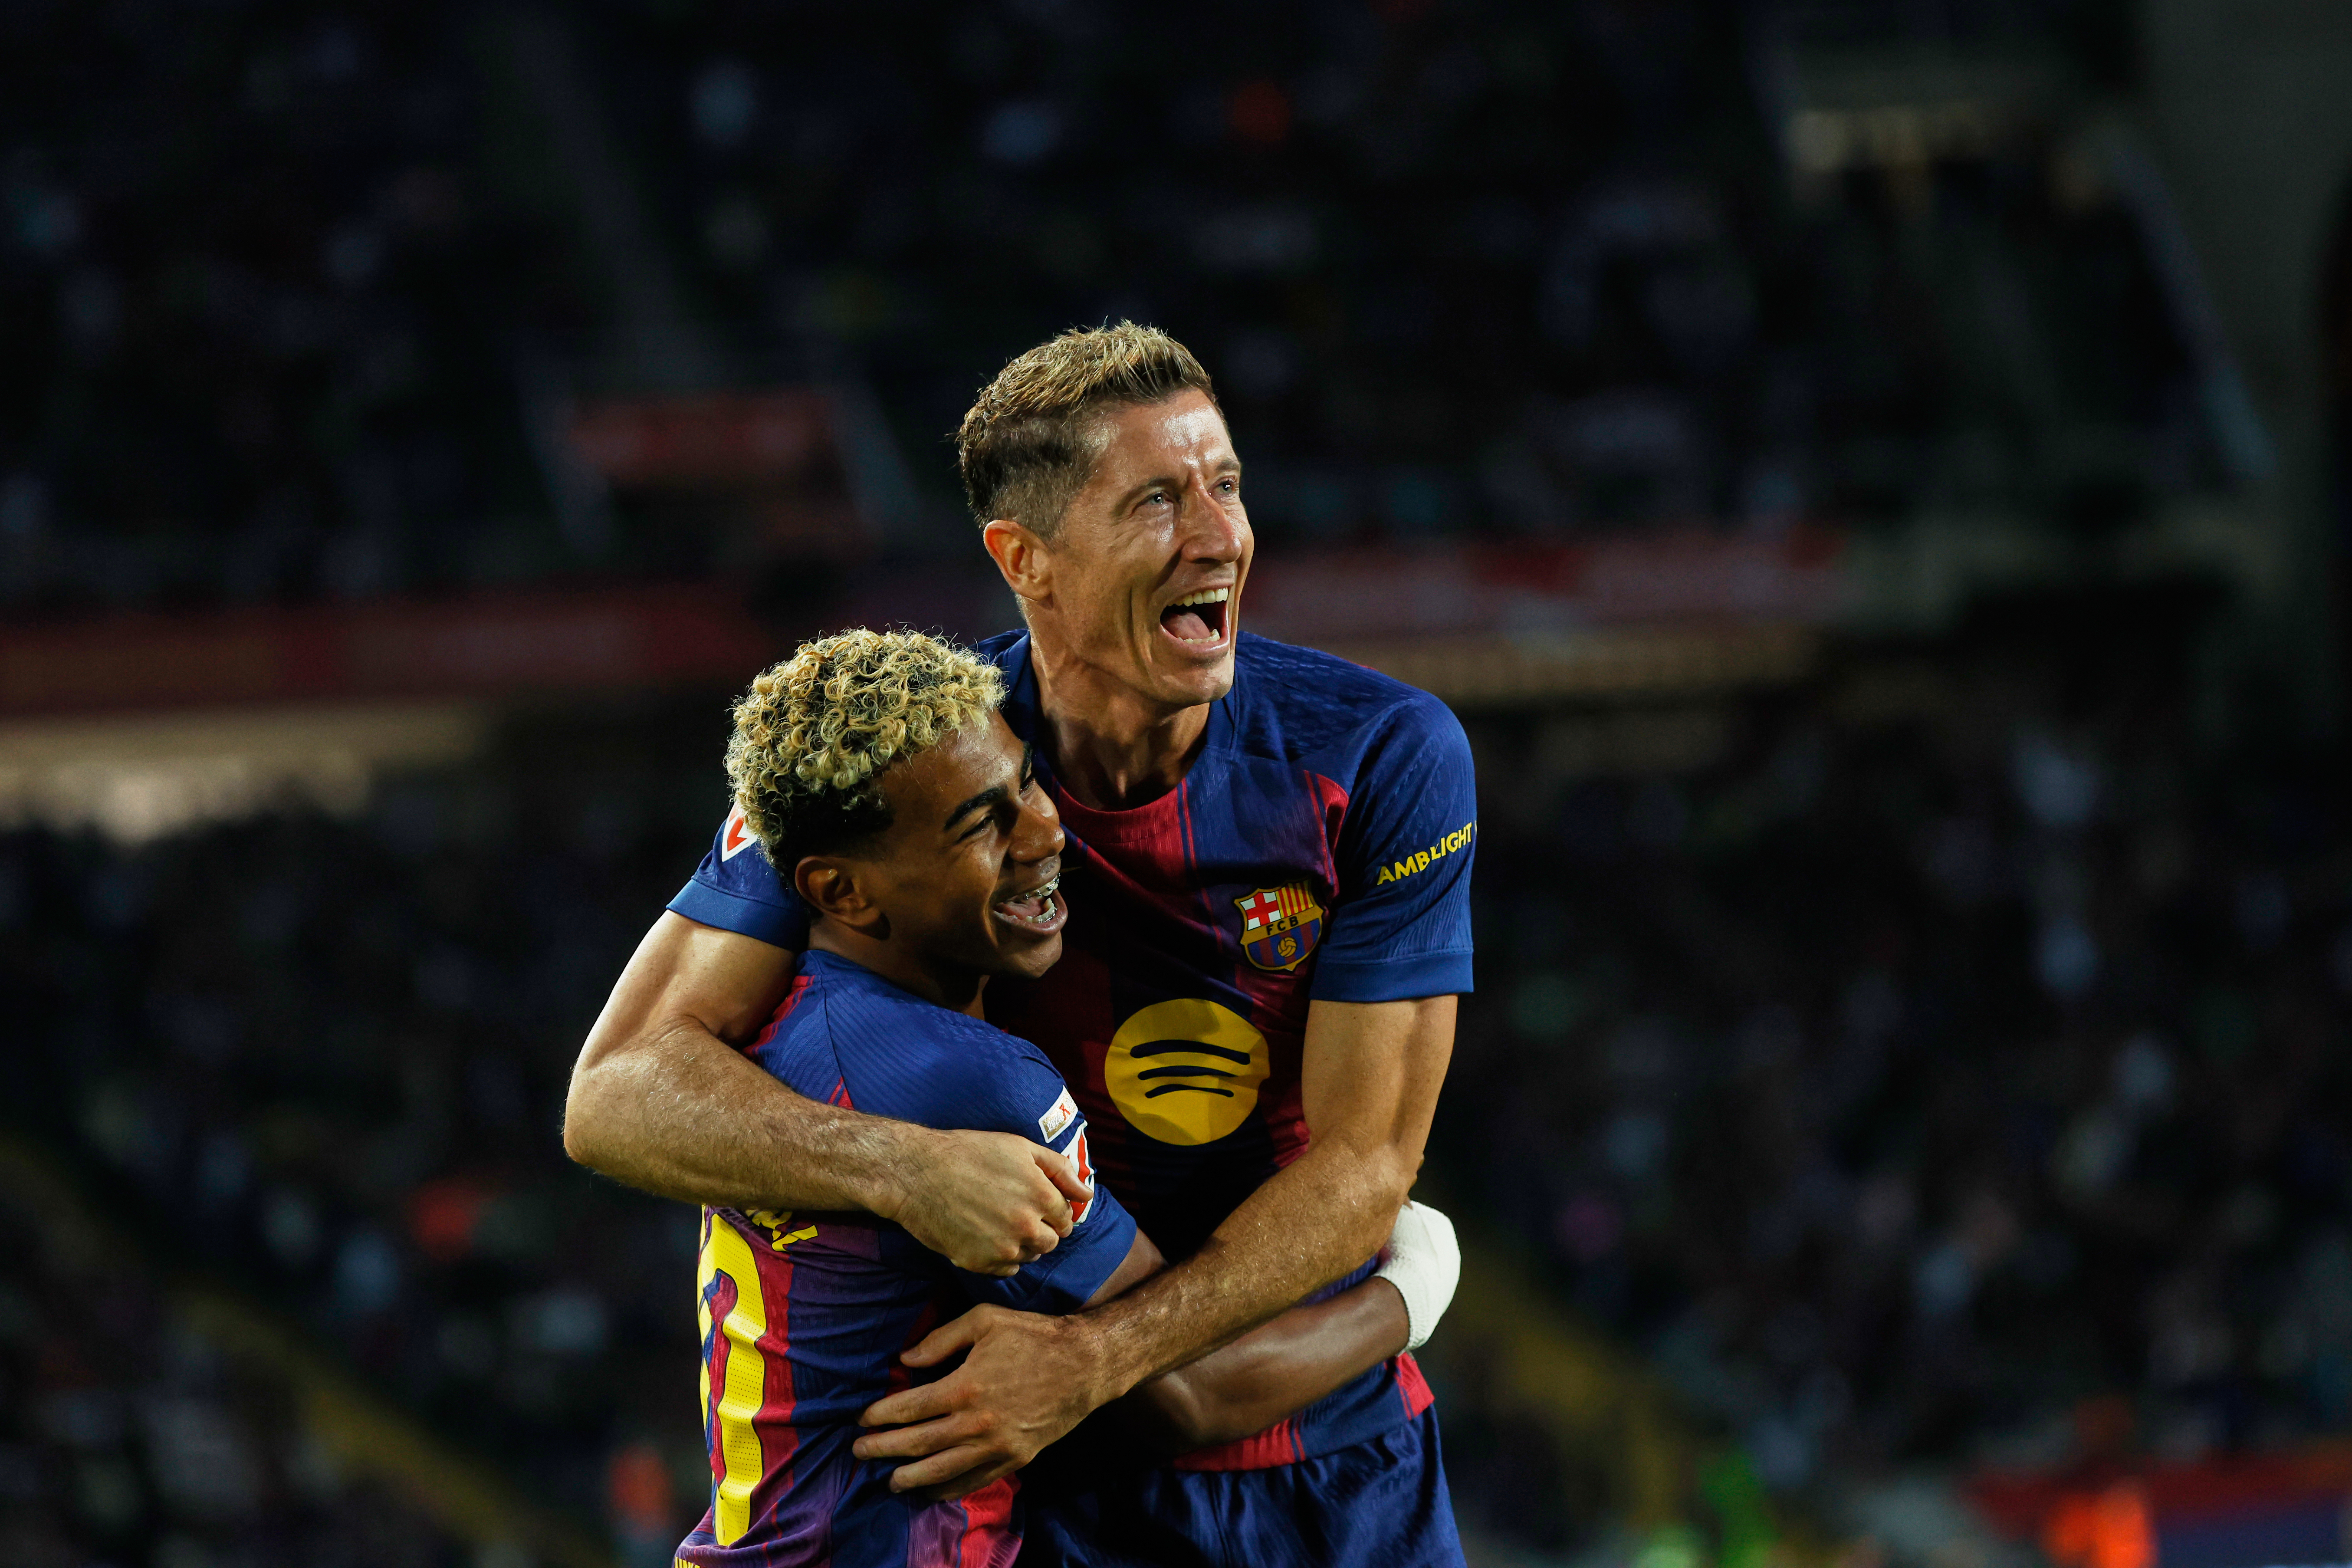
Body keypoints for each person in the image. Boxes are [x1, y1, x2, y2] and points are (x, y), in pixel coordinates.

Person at [568, 323, 1476, 1565]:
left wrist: (1097, 1355)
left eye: (1225, 484)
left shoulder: (1381, 754)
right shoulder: (911, 764)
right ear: (1024, 558)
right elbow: (616, 1091)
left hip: (1325, 1449)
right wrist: (902, 1168)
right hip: (1042, 1474)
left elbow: (1366, 1164)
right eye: (1156, 500)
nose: (1218, 535)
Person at [678, 626, 1459, 1567]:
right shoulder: (976, 1084)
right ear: (843, 891)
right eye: (980, 823)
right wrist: (1415, 1285)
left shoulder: (765, 1034)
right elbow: (1193, 1397)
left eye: (1027, 783)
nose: (1048, 832)